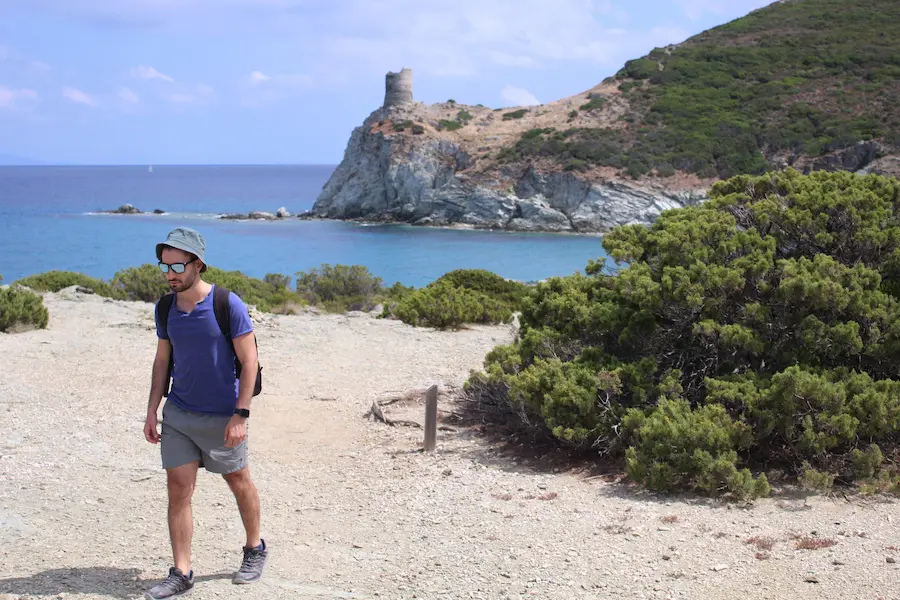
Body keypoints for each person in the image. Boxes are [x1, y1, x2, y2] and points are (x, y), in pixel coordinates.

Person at [142, 227, 268, 599]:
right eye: (165, 267)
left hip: (223, 416)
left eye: (177, 266)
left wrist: (241, 414)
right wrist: (152, 409)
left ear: (198, 264)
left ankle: (255, 547)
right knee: (178, 490)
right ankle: (181, 572)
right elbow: (162, 360)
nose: (170, 274)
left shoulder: (227, 304)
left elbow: (249, 361)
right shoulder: (165, 308)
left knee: (238, 481)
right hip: (180, 414)